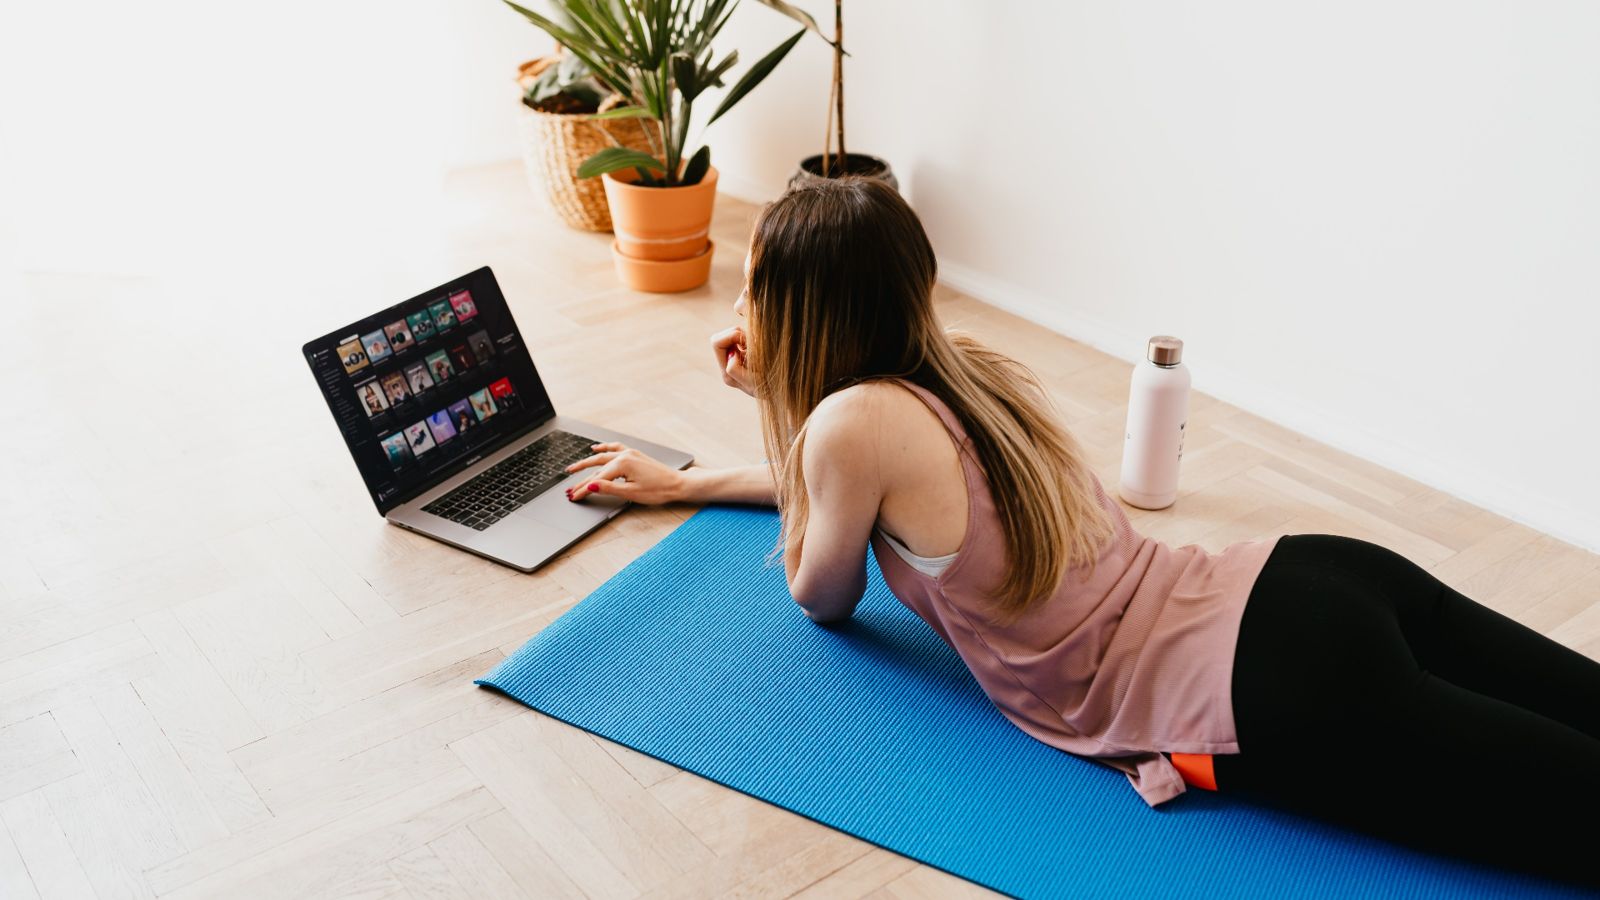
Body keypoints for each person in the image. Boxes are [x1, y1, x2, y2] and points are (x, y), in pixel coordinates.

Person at [557, 176, 1600, 890]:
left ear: (799, 311)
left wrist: (771, 403)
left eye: (753, 289)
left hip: (1265, 694)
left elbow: (819, 594)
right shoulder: (964, 369)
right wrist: (684, 486)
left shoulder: (842, 423)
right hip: (1314, 581)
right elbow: (843, 495)